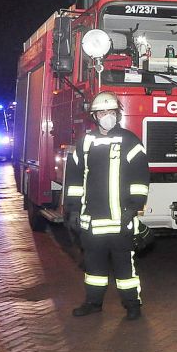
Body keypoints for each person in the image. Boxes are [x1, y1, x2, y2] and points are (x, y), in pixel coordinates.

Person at [63, 92, 149, 319]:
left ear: (118, 115)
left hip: (121, 219)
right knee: (93, 268)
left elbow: (140, 178)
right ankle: (93, 303)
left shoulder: (130, 141)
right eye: (102, 112)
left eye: (111, 112)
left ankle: (132, 305)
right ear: (95, 116)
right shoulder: (85, 142)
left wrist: (134, 207)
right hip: (91, 220)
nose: (107, 116)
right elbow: (73, 179)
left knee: (125, 268)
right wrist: (71, 209)